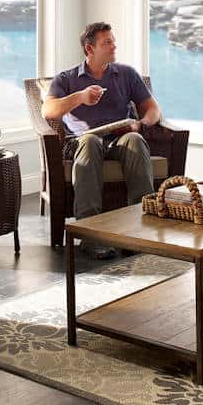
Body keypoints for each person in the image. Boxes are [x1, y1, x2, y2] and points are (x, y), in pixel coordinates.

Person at [42, 22, 162, 259]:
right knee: (90, 142)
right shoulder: (66, 79)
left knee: (135, 140)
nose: (113, 45)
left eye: (112, 41)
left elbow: (153, 109)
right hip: (82, 142)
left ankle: (138, 231)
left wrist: (140, 124)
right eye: (107, 42)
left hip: (118, 139)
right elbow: (48, 110)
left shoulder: (126, 74)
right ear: (90, 49)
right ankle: (90, 236)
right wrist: (80, 97)